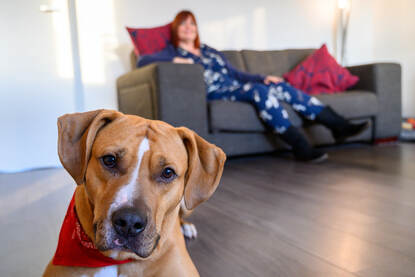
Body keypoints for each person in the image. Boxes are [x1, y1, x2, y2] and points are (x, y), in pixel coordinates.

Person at [137, 10, 368, 162]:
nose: (188, 27)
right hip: (217, 93)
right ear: (176, 29)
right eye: (183, 24)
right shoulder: (172, 52)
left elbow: (237, 73)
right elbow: (143, 60)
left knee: (281, 87)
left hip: (237, 87)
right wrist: (176, 60)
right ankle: (300, 145)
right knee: (260, 91)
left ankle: (338, 125)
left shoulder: (209, 51)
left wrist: (263, 77)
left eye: (192, 24)